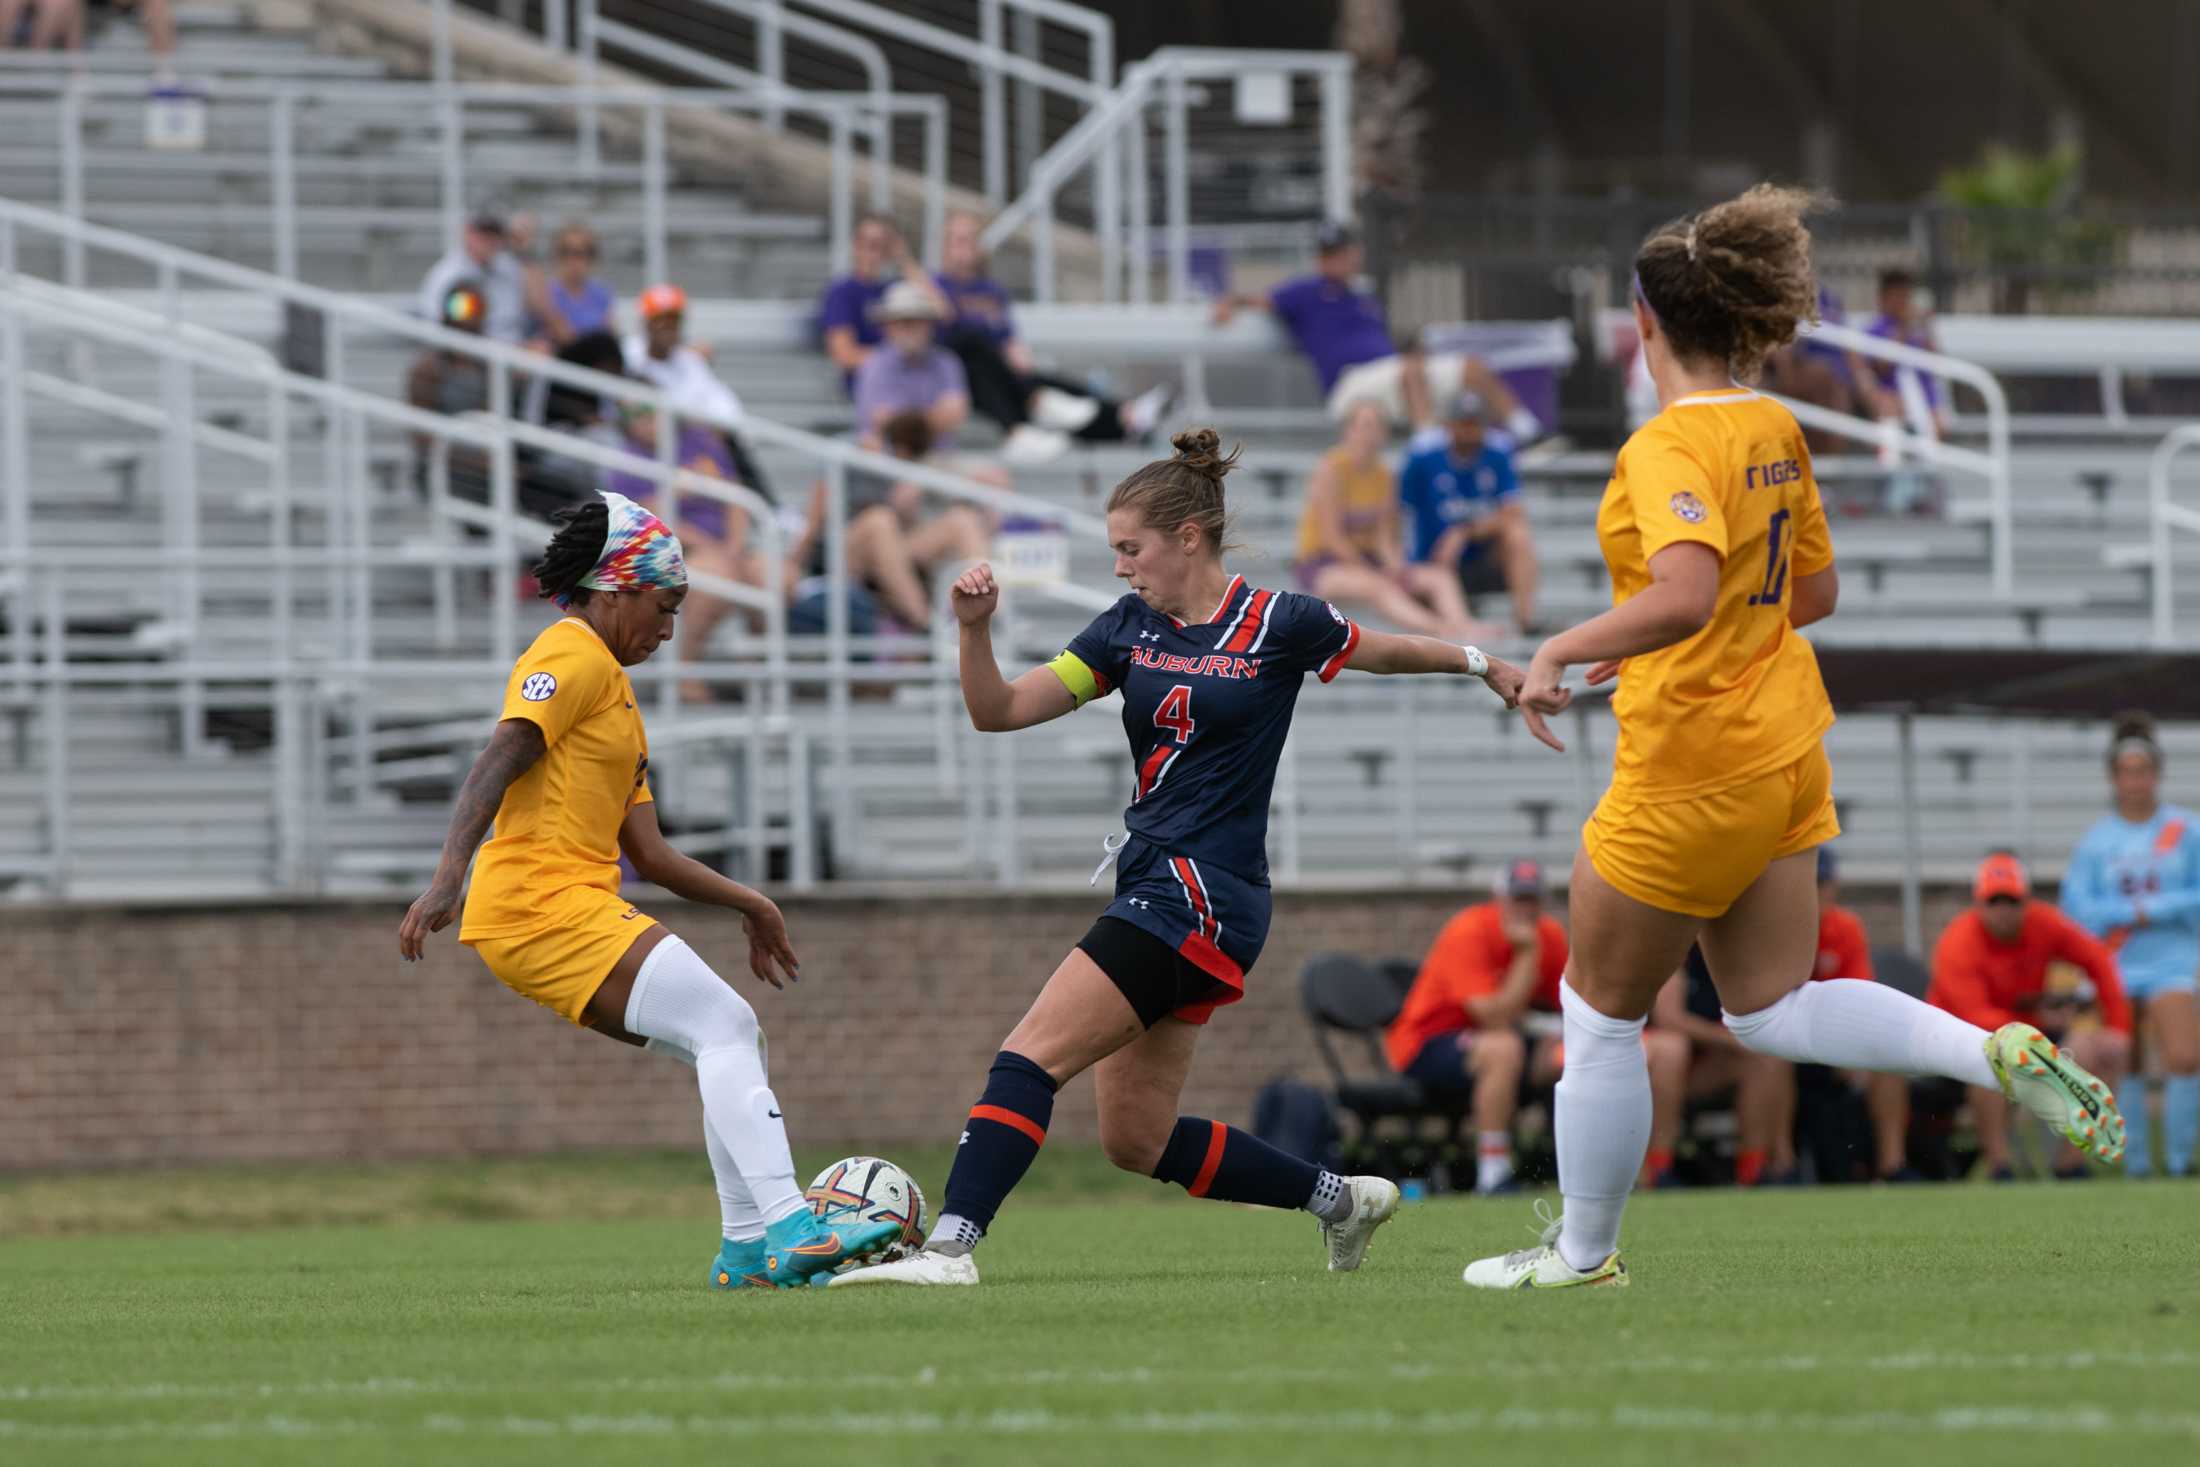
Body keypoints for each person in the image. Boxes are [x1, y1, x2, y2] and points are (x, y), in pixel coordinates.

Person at [1461, 185, 2125, 1293]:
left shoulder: (1663, 447)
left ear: (1644, 324)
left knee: (1597, 1010)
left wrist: (1562, 647)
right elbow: (1805, 591)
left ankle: (1581, 1254)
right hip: (1782, 752)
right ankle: (1989, 1051)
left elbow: (1681, 591)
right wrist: (1650, 645)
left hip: (1689, 765)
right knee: (1770, 1008)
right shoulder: (1770, 426)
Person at [832, 428, 1547, 1288]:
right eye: (1114, 551)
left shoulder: (1283, 621)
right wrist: (972, 632)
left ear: (1188, 537)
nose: (1122, 566)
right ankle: (1343, 1201)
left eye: (1131, 549)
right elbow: (1000, 710)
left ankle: (949, 1248)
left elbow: (1383, 649)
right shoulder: (1126, 629)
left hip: (1201, 892)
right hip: (1161, 885)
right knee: (1136, 1138)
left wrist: (1482, 663)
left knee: (1028, 1056)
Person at [395, 494, 900, 1289]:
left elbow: (650, 854)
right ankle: (793, 1227)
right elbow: (501, 753)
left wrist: (752, 903)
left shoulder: (615, 693)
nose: (668, 631)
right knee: (725, 1023)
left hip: (555, 908)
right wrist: (446, 876)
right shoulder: (570, 654)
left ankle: (746, 1254)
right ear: (614, 589)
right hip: (540, 903)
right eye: (663, 609)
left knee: (729, 1037)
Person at [1210, 222, 1540, 439]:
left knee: (1473, 368)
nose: (1336, 260)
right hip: (1352, 384)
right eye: (1329, 254)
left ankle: (1529, 434)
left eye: (1340, 253)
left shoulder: (1363, 296)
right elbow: (1258, 300)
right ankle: (1426, 444)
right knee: (1412, 369)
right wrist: (1230, 303)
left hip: (1394, 380)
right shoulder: (1306, 291)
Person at [1930, 853, 2134, 1179]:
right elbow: (1974, 1015)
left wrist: (2118, 1028)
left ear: (2025, 902)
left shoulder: (2044, 923)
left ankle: (2070, 1166)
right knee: (1987, 1064)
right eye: (1994, 901)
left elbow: (2098, 960)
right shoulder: (1958, 940)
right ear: (1978, 905)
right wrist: (2038, 1025)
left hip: (2026, 1031)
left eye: (2011, 901)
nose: (2003, 910)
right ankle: (2001, 1167)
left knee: (2103, 1049)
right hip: (1966, 1038)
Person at [2060, 712, 2200, 1178]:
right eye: (2127, 772)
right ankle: (2136, 1163)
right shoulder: (2099, 841)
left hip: (2171, 962)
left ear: (2156, 775)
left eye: (2144, 772)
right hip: (2118, 964)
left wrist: (2151, 909)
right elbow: (2078, 907)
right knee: (2129, 1059)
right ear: (2114, 778)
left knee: (2184, 1055)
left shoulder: (2183, 830)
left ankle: (2179, 1161)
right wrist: (2125, 913)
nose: (2136, 781)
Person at [932, 209, 1173, 464]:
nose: (964, 247)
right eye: (957, 239)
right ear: (944, 245)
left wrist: (1017, 356)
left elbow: (1008, 339)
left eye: (970, 239)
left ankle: (1123, 419)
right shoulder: (934, 285)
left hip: (1001, 376)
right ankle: (1116, 416)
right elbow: (951, 324)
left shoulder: (992, 291)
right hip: (958, 378)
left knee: (1039, 385)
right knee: (979, 353)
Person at [606, 403, 772, 702]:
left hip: (729, 547)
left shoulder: (700, 441)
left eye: (651, 411)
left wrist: (733, 547)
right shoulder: (626, 460)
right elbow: (644, 517)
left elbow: (736, 499)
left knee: (776, 578)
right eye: (637, 416)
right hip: (674, 551)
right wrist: (684, 487)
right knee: (717, 579)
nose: (647, 421)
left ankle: (758, 669)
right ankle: (684, 668)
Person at [1291, 400, 1489, 641]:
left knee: (1439, 578)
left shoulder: (1385, 476)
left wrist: (1396, 567)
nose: (1370, 434)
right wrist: (1374, 571)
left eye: (1376, 427)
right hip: (1325, 565)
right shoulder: (1331, 469)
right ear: (1349, 431)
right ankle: (1440, 629)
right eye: (1365, 426)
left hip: (1369, 560)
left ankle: (1463, 625)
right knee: (1379, 586)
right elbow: (1332, 538)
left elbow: (1383, 537)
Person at [786, 411, 986, 636]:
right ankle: (929, 626)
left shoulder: (915, 463)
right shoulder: (847, 451)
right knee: (880, 521)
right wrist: (794, 563)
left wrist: (907, 499)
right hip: (842, 554)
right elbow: (815, 516)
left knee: (962, 520)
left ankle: (990, 617)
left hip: (891, 553)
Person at [1397, 391, 1540, 634]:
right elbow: (1398, 509)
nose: (1469, 431)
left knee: (1518, 535)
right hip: (1435, 557)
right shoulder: (1423, 454)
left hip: (1481, 556)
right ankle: (1459, 627)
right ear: (1448, 425)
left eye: (1474, 424)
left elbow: (1513, 513)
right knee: (1435, 573)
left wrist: (1464, 533)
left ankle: (1525, 621)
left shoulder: (1498, 450)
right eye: (1463, 424)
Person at [621, 283, 772, 498]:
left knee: (728, 448)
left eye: (674, 321)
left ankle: (768, 510)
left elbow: (725, 406)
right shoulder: (628, 355)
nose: (669, 328)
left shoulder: (689, 360)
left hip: (695, 441)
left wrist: (713, 428)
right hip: (653, 443)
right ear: (646, 323)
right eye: (661, 320)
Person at [819, 212, 939, 390]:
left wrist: (904, 259)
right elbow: (844, 354)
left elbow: (942, 311)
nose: (874, 253)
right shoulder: (842, 291)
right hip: (870, 383)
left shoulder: (897, 287)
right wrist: (898, 358)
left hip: (911, 380)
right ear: (855, 246)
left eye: (883, 246)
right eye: (868, 244)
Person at [851, 282, 971, 450]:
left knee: (993, 475)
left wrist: (907, 423)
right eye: (902, 321)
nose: (908, 328)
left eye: (916, 320)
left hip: (937, 459)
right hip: (888, 461)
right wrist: (931, 420)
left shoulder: (947, 361)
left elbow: (955, 414)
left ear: (929, 324)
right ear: (888, 326)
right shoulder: (874, 364)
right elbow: (882, 421)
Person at [417, 201, 532, 346]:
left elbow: (535, 311)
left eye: (496, 233)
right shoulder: (448, 276)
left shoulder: (509, 267)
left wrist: (525, 252)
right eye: (483, 232)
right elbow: (449, 329)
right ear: (467, 232)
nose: (490, 240)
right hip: (471, 357)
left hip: (514, 352)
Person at [1863, 268, 1947, 437]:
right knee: (1891, 415)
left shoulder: (1917, 328)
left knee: (1936, 420)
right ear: (1883, 298)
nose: (1901, 301)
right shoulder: (1875, 328)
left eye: (1904, 295)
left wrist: (1926, 327)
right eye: (1896, 296)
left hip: (1923, 395)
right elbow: (1882, 367)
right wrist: (1902, 328)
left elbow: (1934, 362)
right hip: (1891, 395)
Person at [541, 221, 616, 344]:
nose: (573, 260)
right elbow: (563, 336)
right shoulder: (546, 292)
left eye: (580, 253)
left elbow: (609, 334)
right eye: (566, 252)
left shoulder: (601, 294)